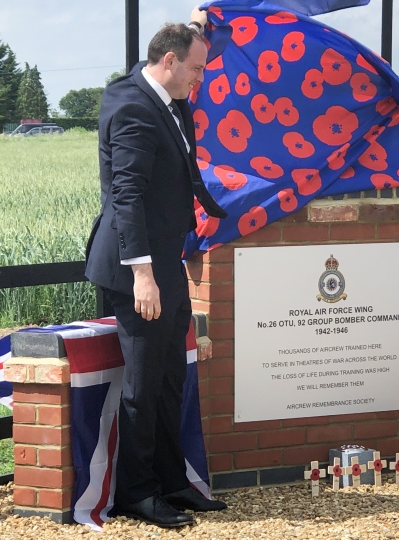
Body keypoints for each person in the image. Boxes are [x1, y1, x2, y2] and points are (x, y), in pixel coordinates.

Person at [84, 17, 228, 527]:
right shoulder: (132, 109)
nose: (200, 79)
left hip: (166, 261)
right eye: (195, 68)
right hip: (136, 271)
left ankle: (171, 483)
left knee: (170, 381)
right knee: (143, 387)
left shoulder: (161, 95)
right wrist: (144, 276)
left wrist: (194, 23)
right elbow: (127, 198)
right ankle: (136, 494)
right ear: (168, 62)